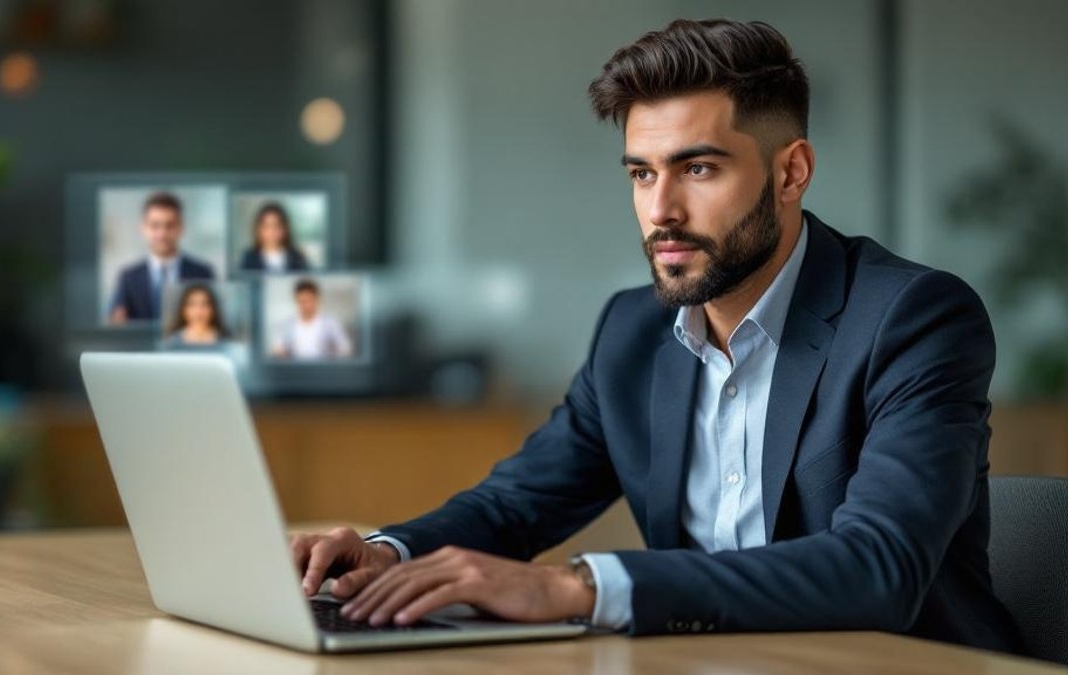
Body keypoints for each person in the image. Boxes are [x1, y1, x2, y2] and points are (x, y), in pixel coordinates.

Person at [289, 19, 1025, 653]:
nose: (661, 210)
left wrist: (579, 586)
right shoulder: (632, 330)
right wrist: (387, 550)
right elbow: (517, 504)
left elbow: (878, 569)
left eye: (697, 168)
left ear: (791, 172)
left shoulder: (914, 318)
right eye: (641, 174)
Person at [109, 191, 215, 324]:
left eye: (169, 226)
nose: (162, 234)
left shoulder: (202, 273)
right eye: (155, 226)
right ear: (143, 229)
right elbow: (116, 323)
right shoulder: (128, 277)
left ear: (181, 228)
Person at [271, 278, 353, 360]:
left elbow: (346, 348)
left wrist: (332, 351)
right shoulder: (288, 324)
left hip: (324, 369)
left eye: (309, 300)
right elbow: (277, 348)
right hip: (295, 370)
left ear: (317, 299)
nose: (305, 305)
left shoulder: (330, 323)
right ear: (296, 301)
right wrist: (282, 352)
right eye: (302, 301)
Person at [239, 202, 311, 273]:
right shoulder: (249, 259)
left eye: (276, 226)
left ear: (285, 229)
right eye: (267, 226)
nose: (272, 231)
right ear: (258, 230)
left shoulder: (298, 258)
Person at [164, 283, 230, 348]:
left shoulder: (225, 341)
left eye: (204, 304)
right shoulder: (173, 342)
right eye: (192, 305)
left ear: (213, 309)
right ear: (183, 310)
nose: (198, 311)